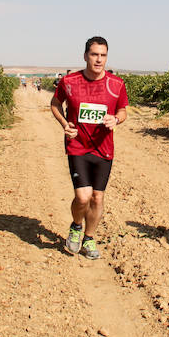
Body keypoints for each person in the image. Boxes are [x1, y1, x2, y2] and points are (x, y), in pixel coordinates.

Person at [50, 37, 128, 259]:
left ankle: (89, 238)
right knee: (83, 197)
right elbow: (55, 104)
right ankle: (76, 226)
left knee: (97, 198)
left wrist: (116, 119)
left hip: (103, 149)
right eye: (94, 54)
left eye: (103, 55)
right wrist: (65, 125)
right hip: (77, 146)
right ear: (85, 56)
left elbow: (123, 110)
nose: (98, 59)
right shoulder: (69, 81)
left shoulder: (116, 84)